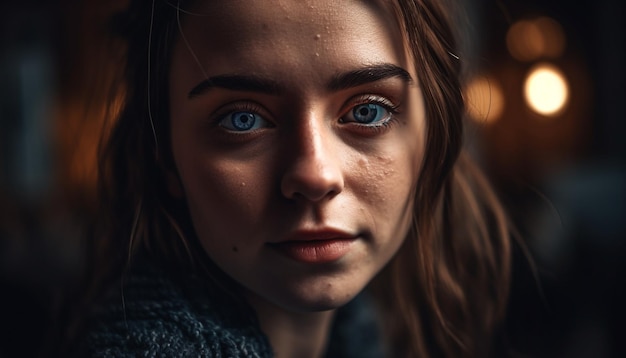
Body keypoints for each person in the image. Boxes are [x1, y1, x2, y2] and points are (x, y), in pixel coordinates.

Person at [59, 0, 512, 357]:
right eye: (242, 120)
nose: (315, 175)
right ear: (164, 156)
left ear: (433, 133)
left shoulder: (370, 333)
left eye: (367, 111)